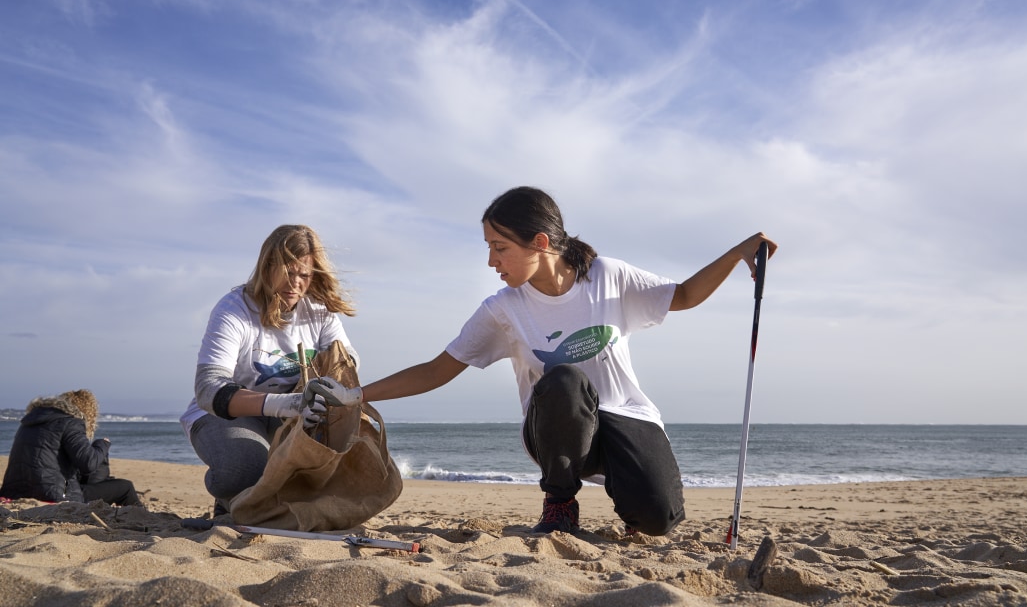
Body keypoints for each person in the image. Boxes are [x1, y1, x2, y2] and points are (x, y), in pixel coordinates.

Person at [362, 186, 777, 536]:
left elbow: (683, 295)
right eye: (490, 248)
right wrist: (357, 394)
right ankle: (559, 503)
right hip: (555, 430)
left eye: (500, 247)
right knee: (564, 379)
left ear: (540, 243)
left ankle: (630, 487)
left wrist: (738, 252)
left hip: (624, 418)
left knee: (659, 519)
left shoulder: (607, 277)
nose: (492, 261)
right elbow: (437, 370)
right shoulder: (502, 309)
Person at [179, 224, 364, 514]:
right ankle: (227, 495)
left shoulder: (318, 310)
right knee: (246, 468)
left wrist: (337, 381)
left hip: (293, 415)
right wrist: (288, 403)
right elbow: (207, 388)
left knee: (339, 464)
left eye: (304, 275)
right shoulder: (234, 309)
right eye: (288, 272)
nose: (296, 284)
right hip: (225, 414)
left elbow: (347, 357)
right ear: (267, 267)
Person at [0, 389, 142, 506]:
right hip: (54, 494)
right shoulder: (71, 422)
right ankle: (144, 522)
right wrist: (102, 444)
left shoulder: (29, 423)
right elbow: (88, 464)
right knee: (125, 487)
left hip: (14, 493)